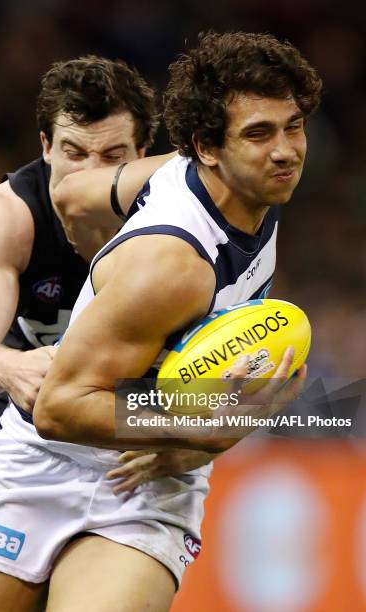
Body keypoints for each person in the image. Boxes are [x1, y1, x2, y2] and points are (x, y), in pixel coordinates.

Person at [31, 31, 322, 611]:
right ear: (206, 148)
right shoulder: (173, 267)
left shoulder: (241, 186)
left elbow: (73, 196)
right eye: (259, 134)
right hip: (41, 461)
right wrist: (194, 430)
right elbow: (57, 406)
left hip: (141, 479)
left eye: (292, 126)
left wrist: (98, 271)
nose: (286, 150)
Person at [0, 56, 206, 611]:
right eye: (73, 153)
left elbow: (258, 373)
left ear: (144, 154)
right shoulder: (8, 215)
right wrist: (9, 366)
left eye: (112, 156)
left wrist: (204, 437)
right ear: (45, 145)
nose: (88, 173)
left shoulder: (190, 224)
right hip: (31, 453)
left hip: (140, 461)